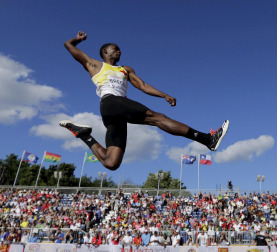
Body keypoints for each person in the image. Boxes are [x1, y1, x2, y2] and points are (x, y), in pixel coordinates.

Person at [61, 31, 230, 171]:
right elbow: (68, 45)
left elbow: (142, 85)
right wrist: (78, 39)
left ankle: (84, 135)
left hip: (115, 113)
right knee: (158, 118)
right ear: (105, 52)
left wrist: (163, 95)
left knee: (111, 162)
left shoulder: (125, 69)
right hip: (111, 102)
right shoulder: (94, 64)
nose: (120, 51)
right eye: (116, 49)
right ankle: (207, 139)